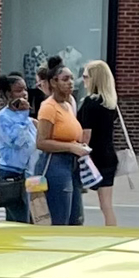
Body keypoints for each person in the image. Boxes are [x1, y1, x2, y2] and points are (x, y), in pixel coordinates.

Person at [35, 66, 88, 225]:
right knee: (60, 218)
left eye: (72, 78)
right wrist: (71, 147)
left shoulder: (68, 104)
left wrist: (78, 145)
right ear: (53, 82)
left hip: (72, 164)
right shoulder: (49, 107)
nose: (71, 83)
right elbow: (41, 142)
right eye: (65, 79)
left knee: (76, 218)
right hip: (55, 165)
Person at [78, 59, 124, 225]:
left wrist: (79, 148)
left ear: (94, 79)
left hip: (93, 157)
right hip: (108, 155)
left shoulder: (91, 102)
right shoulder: (110, 103)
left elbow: (86, 133)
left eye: (85, 76)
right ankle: (112, 232)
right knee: (106, 205)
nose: (83, 80)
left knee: (74, 195)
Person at [0, 74, 36, 224]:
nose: (24, 94)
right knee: (18, 219)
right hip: (12, 172)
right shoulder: (3, 117)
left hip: (30, 172)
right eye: (18, 90)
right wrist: (23, 116)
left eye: (25, 89)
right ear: (8, 94)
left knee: (34, 216)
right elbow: (17, 141)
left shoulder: (28, 119)